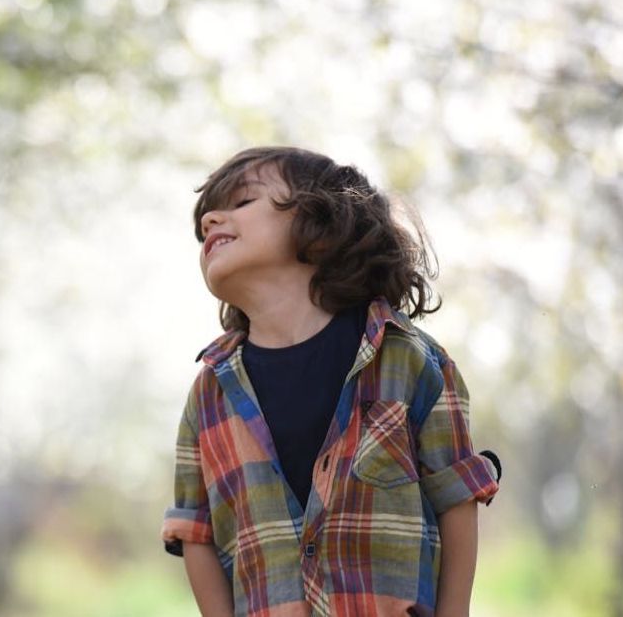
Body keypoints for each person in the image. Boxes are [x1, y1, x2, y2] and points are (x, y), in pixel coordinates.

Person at [161, 146, 501, 617]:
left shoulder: (409, 360)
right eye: (205, 220)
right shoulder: (208, 396)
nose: (210, 222)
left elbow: (456, 496)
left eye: (241, 203)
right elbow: (194, 532)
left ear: (321, 225)